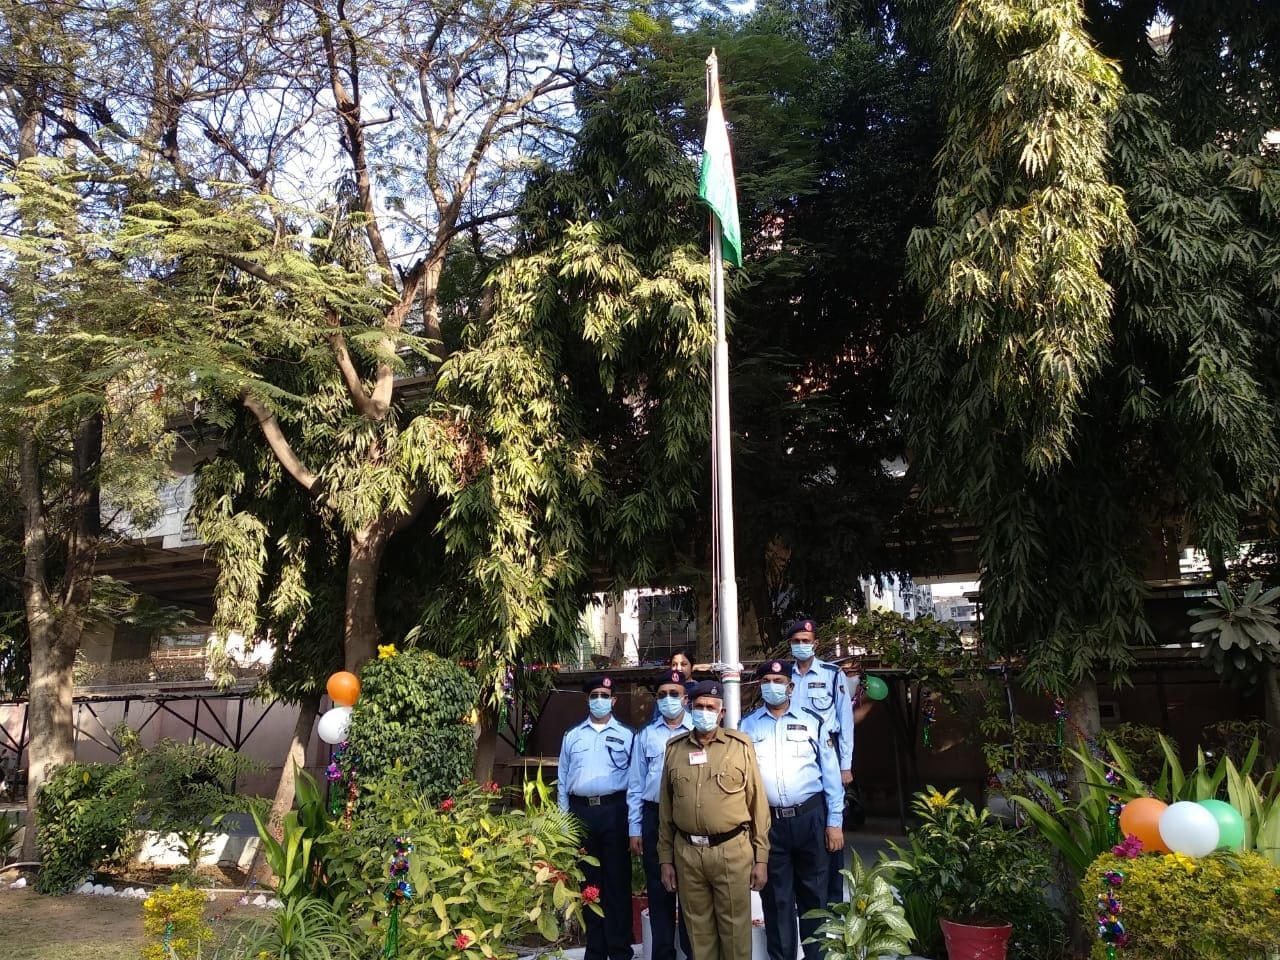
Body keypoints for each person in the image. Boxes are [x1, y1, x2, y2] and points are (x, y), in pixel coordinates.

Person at [657, 679, 771, 960]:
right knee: (698, 935)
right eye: (699, 707)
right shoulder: (675, 749)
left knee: (735, 934)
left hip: (731, 852)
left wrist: (761, 858)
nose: (704, 712)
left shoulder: (739, 746)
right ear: (690, 708)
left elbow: (758, 804)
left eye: (711, 707)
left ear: (722, 713)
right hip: (687, 854)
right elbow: (666, 811)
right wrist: (665, 859)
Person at [739, 660, 844, 960]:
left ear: (790, 687)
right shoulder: (747, 726)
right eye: (766, 681)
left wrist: (834, 822)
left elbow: (831, 775)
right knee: (777, 900)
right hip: (769, 823)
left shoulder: (813, 721)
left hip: (810, 819)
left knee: (814, 896)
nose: (772, 686)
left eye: (778, 681)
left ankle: (816, 956)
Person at [559, 675, 636, 960]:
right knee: (588, 884)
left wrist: (634, 826)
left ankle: (619, 950)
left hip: (615, 812)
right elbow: (562, 782)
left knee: (617, 883)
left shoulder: (628, 735)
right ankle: (595, 950)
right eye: (595, 696)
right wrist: (564, 825)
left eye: (605, 695)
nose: (600, 700)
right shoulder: (572, 735)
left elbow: (635, 784)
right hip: (581, 814)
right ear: (587, 700)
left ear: (613, 700)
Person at [785, 617, 854, 903]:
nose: (801, 645)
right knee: (808, 821)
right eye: (796, 641)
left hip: (828, 754)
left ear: (816, 644)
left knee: (831, 821)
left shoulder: (832, 674)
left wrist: (845, 764)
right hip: (794, 755)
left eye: (806, 641)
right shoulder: (783, 675)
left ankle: (833, 900)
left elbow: (845, 719)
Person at [628, 669, 693, 960]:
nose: (668, 699)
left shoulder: (697, 730)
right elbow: (635, 784)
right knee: (659, 889)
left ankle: (692, 954)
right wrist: (635, 828)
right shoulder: (646, 735)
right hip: (655, 817)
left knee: (692, 890)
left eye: (674, 694)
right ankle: (663, 954)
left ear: (685, 698)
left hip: (689, 819)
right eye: (663, 695)